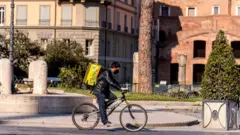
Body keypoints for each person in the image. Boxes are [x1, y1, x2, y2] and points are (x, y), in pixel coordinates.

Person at [92, 62, 121, 127]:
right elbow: (110, 82)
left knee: (114, 97)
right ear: (114, 68)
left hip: (105, 91)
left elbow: (113, 81)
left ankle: (103, 108)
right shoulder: (106, 72)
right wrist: (119, 89)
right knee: (102, 106)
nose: (117, 71)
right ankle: (105, 122)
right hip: (99, 91)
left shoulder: (110, 73)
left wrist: (121, 87)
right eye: (117, 69)